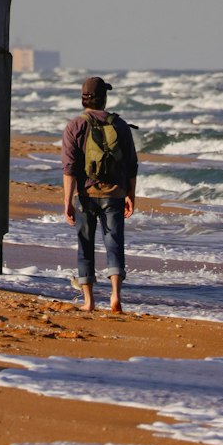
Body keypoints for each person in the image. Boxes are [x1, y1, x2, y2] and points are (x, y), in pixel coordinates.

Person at [62, 76, 139, 313]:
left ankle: (89, 301)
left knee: (85, 245)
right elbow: (132, 164)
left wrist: (67, 202)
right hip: (114, 194)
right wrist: (130, 194)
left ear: (83, 99)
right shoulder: (120, 125)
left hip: (85, 194)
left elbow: (70, 168)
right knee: (114, 243)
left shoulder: (75, 125)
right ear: (104, 98)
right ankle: (115, 296)